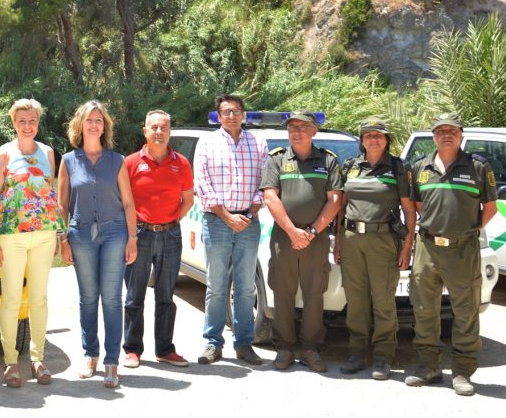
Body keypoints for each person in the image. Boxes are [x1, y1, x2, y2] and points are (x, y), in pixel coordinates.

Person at [406, 113, 496, 396]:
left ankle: (462, 372)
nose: (446, 135)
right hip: (428, 248)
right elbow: (418, 205)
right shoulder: (420, 166)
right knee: (424, 308)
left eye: (452, 130)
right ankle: (428, 367)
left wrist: (469, 230)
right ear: (433, 135)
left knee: (466, 310)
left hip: (463, 249)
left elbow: (490, 207)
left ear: (461, 134)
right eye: (440, 130)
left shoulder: (478, 167)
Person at [0, 98, 64, 387]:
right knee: (12, 299)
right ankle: (10, 362)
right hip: (11, 238)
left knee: (39, 298)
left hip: (42, 236)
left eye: (32, 121)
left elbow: (48, 196)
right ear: (13, 123)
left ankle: (38, 359)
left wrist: (56, 234)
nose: (27, 126)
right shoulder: (2, 155)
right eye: (21, 121)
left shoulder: (48, 153)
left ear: (38, 123)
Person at [57, 100, 138, 388]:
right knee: (88, 298)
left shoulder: (117, 160)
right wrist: (62, 238)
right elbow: (62, 204)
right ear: (80, 125)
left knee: (112, 298)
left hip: (115, 232)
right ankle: (90, 354)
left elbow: (128, 203)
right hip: (80, 235)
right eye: (90, 120)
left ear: (105, 126)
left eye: (99, 120)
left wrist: (132, 238)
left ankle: (111, 361)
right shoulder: (68, 161)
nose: (94, 124)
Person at [260, 110, 343, 373]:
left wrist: (313, 231)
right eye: (292, 127)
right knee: (282, 292)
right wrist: (293, 231)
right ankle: (284, 347)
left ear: (314, 131)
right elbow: (271, 197)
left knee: (314, 293)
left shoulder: (328, 160)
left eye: (302, 127)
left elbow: (335, 200)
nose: (296, 132)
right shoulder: (277, 159)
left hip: (316, 239)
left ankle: (310, 349)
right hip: (284, 238)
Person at [334, 117, 416, 380]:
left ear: (387, 139)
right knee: (356, 301)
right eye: (368, 135)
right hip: (351, 240)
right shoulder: (350, 166)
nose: (373, 139)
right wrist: (337, 241)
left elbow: (408, 209)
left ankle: (383, 356)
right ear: (361, 140)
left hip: (383, 241)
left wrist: (407, 246)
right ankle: (357, 352)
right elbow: (341, 207)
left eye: (379, 135)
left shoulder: (398, 167)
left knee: (383, 301)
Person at [193, 95, 268, 366]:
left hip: (249, 222)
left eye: (236, 111)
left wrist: (247, 215)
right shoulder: (207, 142)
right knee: (216, 285)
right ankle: (213, 343)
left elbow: (265, 182)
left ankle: (244, 343)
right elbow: (202, 184)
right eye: (225, 112)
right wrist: (227, 216)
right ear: (218, 115)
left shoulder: (258, 143)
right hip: (216, 221)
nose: (231, 116)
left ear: (243, 114)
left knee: (246, 287)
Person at [121, 110, 194, 369]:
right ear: (145, 131)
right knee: (134, 295)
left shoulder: (181, 163)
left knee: (166, 296)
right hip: (139, 235)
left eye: (163, 127)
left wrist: (171, 220)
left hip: (171, 235)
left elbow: (188, 200)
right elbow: (124, 202)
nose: (159, 132)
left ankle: (165, 349)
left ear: (170, 131)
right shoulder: (130, 163)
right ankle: (132, 349)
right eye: (154, 127)